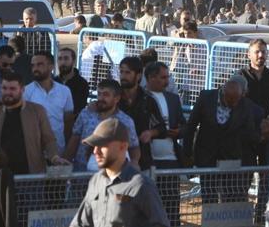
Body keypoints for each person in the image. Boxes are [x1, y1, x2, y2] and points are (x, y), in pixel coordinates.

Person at [69, 118, 170, 227]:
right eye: (94, 146)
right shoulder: (96, 181)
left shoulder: (141, 186)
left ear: (123, 146)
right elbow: (80, 223)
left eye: (102, 146)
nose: (95, 151)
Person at [183, 75, 262, 204]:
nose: (233, 103)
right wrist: (188, 153)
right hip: (207, 157)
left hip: (231, 159)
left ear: (242, 95)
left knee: (231, 197)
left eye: (236, 100)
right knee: (209, 197)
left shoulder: (246, 106)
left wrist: (261, 136)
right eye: (230, 99)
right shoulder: (206, 98)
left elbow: (250, 133)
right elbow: (191, 125)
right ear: (223, 91)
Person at [0, 72, 68, 175]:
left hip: (30, 176)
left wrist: (54, 157)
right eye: (4, 88)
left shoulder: (37, 111)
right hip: (0, 176)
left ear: (22, 90)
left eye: (12, 89)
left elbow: (49, 139)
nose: (7, 92)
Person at [238, 39, 269, 222]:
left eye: (263, 51)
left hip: (267, 134)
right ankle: (241, 215)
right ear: (249, 54)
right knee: (244, 178)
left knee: (265, 180)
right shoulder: (240, 76)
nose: (261, 55)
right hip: (246, 137)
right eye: (257, 51)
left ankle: (260, 216)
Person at [65, 79, 141, 171]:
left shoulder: (126, 121)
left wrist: (134, 162)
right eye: (99, 94)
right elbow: (74, 141)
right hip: (81, 174)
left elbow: (134, 147)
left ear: (117, 98)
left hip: (110, 176)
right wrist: (66, 163)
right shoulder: (86, 114)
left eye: (106, 95)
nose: (101, 98)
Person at [144, 61, 186, 226]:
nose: (167, 81)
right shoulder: (142, 98)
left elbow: (183, 125)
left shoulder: (173, 99)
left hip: (170, 158)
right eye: (163, 77)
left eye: (167, 77)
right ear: (151, 78)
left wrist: (179, 132)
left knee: (171, 203)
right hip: (148, 159)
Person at [118, 57, 165, 171]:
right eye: (121, 72)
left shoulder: (147, 100)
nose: (123, 76)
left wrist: (150, 133)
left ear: (138, 75)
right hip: (116, 159)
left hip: (142, 161)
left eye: (128, 72)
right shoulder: (115, 98)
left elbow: (161, 127)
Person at [23, 51, 74, 156]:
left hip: (59, 149)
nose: (35, 68)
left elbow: (68, 121)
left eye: (40, 64)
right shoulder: (25, 92)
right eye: (33, 65)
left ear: (51, 66)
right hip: (34, 151)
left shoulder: (64, 91)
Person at [54, 47, 89, 114]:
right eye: (60, 59)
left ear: (73, 61)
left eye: (66, 58)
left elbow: (78, 108)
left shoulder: (81, 84)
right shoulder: (53, 81)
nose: (63, 62)